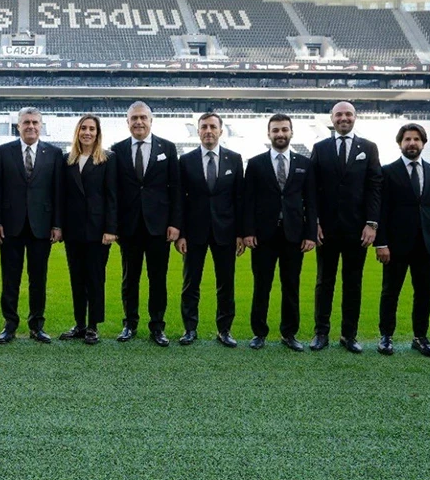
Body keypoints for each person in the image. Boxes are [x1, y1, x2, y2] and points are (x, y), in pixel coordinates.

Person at [309, 101, 382, 353]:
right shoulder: (320, 148)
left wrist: (372, 224)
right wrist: (315, 222)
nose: (343, 118)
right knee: (324, 281)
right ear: (332, 118)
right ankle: (321, 333)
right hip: (326, 229)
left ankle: (349, 335)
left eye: (348, 114)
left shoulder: (369, 148)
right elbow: (313, 189)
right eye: (339, 114)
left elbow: (374, 187)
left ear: (355, 117)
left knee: (353, 282)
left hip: (357, 229)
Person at [243, 114, 317, 351]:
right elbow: (248, 201)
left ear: (291, 132)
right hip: (263, 236)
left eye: (284, 129)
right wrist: (248, 231)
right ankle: (259, 333)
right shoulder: (255, 164)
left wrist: (310, 234)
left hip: (294, 236)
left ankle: (289, 333)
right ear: (269, 134)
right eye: (275, 130)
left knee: (291, 286)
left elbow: (311, 202)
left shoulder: (304, 164)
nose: (280, 134)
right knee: (262, 286)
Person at [110, 101, 182, 347]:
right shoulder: (116, 150)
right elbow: (114, 192)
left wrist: (174, 223)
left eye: (143, 118)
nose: (138, 122)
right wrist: (114, 225)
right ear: (127, 122)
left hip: (159, 227)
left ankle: (157, 326)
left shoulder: (168, 148)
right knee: (130, 278)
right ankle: (129, 324)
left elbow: (176, 189)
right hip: (129, 227)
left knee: (157, 278)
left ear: (151, 121)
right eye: (134, 118)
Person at [374, 123, 430, 358]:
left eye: (416, 139)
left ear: (423, 143)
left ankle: (421, 337)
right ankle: (386, 336)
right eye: (407, 139)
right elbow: (381, 210)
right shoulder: (387, 172)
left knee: (424, 293)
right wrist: (381, 243)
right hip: (395, 245)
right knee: (390, 292)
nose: (412, 143)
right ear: (400, 143)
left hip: (427, 245)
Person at [0, 107, 63, 344]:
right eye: (26, 123)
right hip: (11, 226)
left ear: (41, 125)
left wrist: (57, 225)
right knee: (10, 280)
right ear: (18, 126)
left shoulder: (54, 153)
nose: (30, 126)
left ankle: (37, 325)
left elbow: (57, 192)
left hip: (41, 227)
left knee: (38, 279)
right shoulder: (3, 152)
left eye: (34, 122)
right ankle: (9, 325)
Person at [176, 112, 245, 347]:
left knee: (226, 283)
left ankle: (224, 330)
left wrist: (240, 234)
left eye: (212, 127)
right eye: (204, 126)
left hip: (225, 232)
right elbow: (180, 200)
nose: (208, 131)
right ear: (198, 131)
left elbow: (239, 200)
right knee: (190, 283)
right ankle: (190, 329)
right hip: (194, 232)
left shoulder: (234, 159)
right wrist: (181, 233)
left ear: (220, 131)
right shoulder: (186, 161)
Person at [58, 114, 117, 345]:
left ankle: (93, 326)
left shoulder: (108, 159)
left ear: (98, 133)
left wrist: (111, 228)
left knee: (95, 279)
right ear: (77, 131)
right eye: (84, 128)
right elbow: (62, 197)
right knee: (77, 278)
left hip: (98, 230)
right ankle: (80, 324)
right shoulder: (67, 160)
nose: (87, 132)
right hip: (73, 231)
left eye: (92, 129)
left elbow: (113, 196)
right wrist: (60, 227)